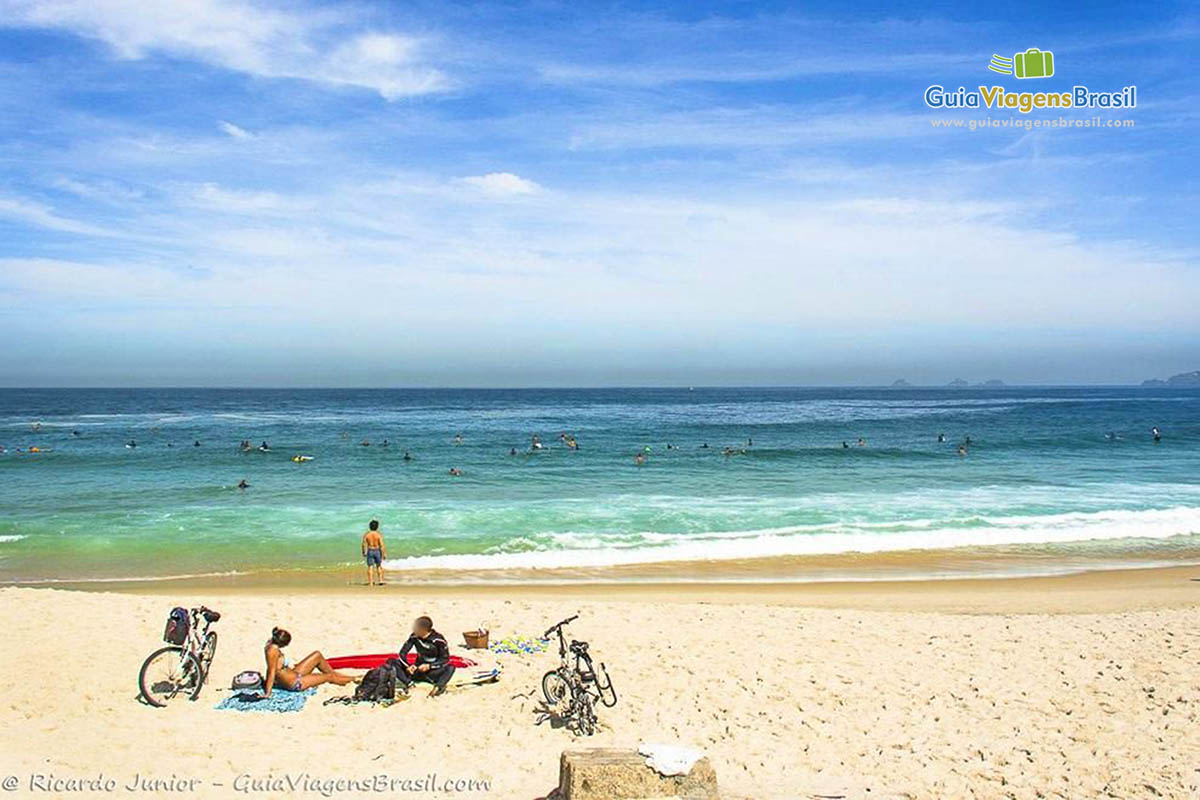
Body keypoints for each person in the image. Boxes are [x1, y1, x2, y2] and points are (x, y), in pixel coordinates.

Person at [263, 627, 355, 696]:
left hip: (294, 674)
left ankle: (338, 676)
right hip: (295, 683)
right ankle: (354, 680)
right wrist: (268, 693)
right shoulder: (272, 651)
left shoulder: (271, 643)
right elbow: (271, 671)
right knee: (328, 677)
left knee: (317, 655)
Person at [396, 616, 455, 697]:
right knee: (393, 661)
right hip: (417, 671)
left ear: (423, 629)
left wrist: (430, 666)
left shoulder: (438, 640)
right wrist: (408, 666)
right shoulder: (414, 637)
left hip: (431, 673)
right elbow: (402, 653)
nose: (414, 629)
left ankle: (438, 687)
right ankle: (409, 684)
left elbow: (445, 659)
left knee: (451, 667)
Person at [362, 520, 386, 586]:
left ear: (370, 526)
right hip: (377, 551)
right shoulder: (378, 535)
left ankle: (371, 582)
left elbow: (363, 544)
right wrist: (383, 554)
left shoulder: (367, 535)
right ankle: (380, 580)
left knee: (370, 567)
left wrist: (363, 552)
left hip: (370, 550)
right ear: (377, 527)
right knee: (379, 566)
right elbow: (382, 545)